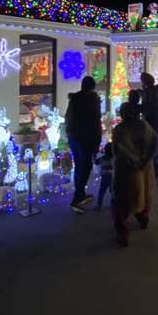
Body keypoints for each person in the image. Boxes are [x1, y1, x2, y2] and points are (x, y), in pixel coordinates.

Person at [112, 102, 158, 247]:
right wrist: (144, 161)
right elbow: (154, 144)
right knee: (143, 194)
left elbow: (117, 151)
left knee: (122, 202)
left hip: (126, 171)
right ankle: (143, 218)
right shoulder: (144, 127)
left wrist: (133, 161)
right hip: (144, 170)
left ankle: (123, 233)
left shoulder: (119, 130)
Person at [65, 76, 102, 213]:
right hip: (86, 138)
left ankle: (80, 194)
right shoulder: (93, 99)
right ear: (92, 87)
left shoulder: (74, 99)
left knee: (80, 165)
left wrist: (69, 134)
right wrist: (97, 141)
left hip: (74, 136)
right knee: (86, 166)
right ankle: (76, 199)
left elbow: (67, 117)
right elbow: (95, 120)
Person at [139, 72, 158, 178]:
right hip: (156, 120)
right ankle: (154, 169)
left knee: (150, 145)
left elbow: (147, 106)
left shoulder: (150, 92)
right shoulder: (153, 91)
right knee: (154, 144)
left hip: (151, 121)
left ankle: (152, 169)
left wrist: (136, 107)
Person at [94, 143, 113, 210]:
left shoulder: (103, 158)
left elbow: (96, 162)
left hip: (105, 177)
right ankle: (113, 204)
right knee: (113, 191)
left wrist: (94, 154)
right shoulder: (115, 158)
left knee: (102, 191)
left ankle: (99, 205)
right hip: (113, 177)